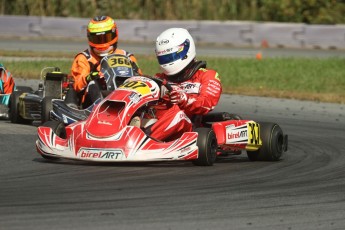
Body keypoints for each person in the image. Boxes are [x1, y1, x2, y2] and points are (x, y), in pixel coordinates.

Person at [142, 28, 222, 142]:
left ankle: (145, 140)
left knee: (177, 114)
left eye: (170, 57)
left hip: (189, 127)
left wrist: (184, 99)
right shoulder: (159, 78)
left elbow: (207, 103)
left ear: (185, 50)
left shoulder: (208, 76)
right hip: (156, 119)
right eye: (163, 58)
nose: (167, 61)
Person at [70, 15, 143, 108]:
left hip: (125, 98)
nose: (102, 44)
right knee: (94, 84)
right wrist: (89, 78)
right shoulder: (84, 58)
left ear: (114, 34)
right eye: (97, 39)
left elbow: (141, 80)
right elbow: (77, 85)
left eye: (106, 38)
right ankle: (102, 109)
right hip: (92, 104)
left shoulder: (127, 57)